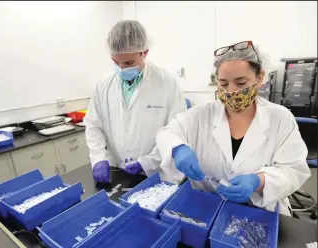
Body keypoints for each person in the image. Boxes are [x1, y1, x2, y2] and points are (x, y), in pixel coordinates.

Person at [156, 40, 311, 216]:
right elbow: (167, 133)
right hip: (208, 208)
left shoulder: (280, 118)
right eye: (223, 84)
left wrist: (259, 180)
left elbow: (294, 169)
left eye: (241, 82)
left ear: (259, 77)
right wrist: (178, 148)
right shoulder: (201, 115)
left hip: (260, 212)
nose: (231, 91)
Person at [84, 20, 186, 183]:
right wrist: (98, 157)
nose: (122, 68)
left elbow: (177, 129)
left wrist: (148, 162)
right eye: (116, 62)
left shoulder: (166, 82)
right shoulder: (103, 85)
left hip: (157, 174)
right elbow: (93, 125)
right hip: (118, 171)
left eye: (129, 63)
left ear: (144, 52)